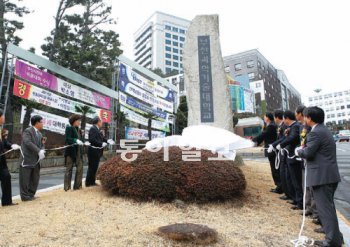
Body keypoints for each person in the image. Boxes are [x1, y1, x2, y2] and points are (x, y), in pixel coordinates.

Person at [296, 107, 343, 247]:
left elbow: (308, 152)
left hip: (322, 177)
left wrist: (299, 151)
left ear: (309, 118)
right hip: (328, 176)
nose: (304, 120)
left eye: (305, 117)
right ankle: (336, 236)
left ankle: (332, 241)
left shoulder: (315, 133)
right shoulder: (324, 130)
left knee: (325, 209)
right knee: (328, 208)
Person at [274, 110, 303, 210]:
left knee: (296, 180)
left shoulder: (295, 126)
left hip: (294, 157)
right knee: (291, 179)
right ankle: (296, 199)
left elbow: (292, 138)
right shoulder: (291, 127)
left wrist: (281, 145)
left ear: (286, 118)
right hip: (289, 155)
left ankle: (300, 202)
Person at [295, 106, 318, 219]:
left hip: (310, 160)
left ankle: (314, 211)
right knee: (306, 185)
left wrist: (302, 150)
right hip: (304, 159)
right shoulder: (302, 127)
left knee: (312, 187)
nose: (305, 119)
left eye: (306, 117)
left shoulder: (313, 130)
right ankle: (308, 207)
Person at [19, 115, 45, 201]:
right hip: (27, 158)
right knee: (25, 178)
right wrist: (38, 150)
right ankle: (24, 196)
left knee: (35, 178)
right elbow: (27, 142)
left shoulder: (40, 133)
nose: (43, 124)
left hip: (36, 160)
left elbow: (42, 145)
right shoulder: (28, 131)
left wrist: (42, 151)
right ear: (37, 123)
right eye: (42, 122)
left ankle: (31, 194)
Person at [252, 112, 280, 193]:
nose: (264, 118)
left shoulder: (271, 126)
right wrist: (257, 142)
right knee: (273, 168)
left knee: (275, 169)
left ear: (267, 117)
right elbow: (263, 135)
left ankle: (279, 186)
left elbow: (263, 135)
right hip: (270, 149)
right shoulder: (268, 125)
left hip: (272, 150)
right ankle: (278, 186)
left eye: (264, 116)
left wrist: (253, 140)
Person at [272, 110, 295, 201]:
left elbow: (284, 138)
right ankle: (288, 193)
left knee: (287, 176)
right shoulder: (282, 126)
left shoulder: (286, 126)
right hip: (283, 151)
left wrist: (276, 145)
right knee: (284, 174)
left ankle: (290, 195)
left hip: (287, 152)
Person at [0, 110, 20, 206]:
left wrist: (11, 145)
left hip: (2, 161)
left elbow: (4, 142)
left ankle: (7, 201)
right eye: (2, 116)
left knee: (6, 177)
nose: (4, 118)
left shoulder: (0, 129)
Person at [64, 114, 84, 191]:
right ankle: (67, 187)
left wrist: (82, 141)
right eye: (78, 121)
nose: (80, 122)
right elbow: (68, 139)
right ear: (74, 121)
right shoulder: (69, 127)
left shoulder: (78, 129)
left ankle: (77, 186)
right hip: (70, 151)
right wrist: (75, 140)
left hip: (78, 151)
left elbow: (80, 139)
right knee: (69, 169)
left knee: (80, 167)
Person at [86, 117, 107, 187]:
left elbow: (101, 138)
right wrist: (101, 144)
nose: (102, 123)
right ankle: (89, 183)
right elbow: (92, 140)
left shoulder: (97, 129)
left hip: (96, 151)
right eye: (101, 121)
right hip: (93, 151)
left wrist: (107, 141)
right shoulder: (93, 128)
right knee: (92, 167)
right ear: (98, 122)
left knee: (95, 167)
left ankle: (92, 182)